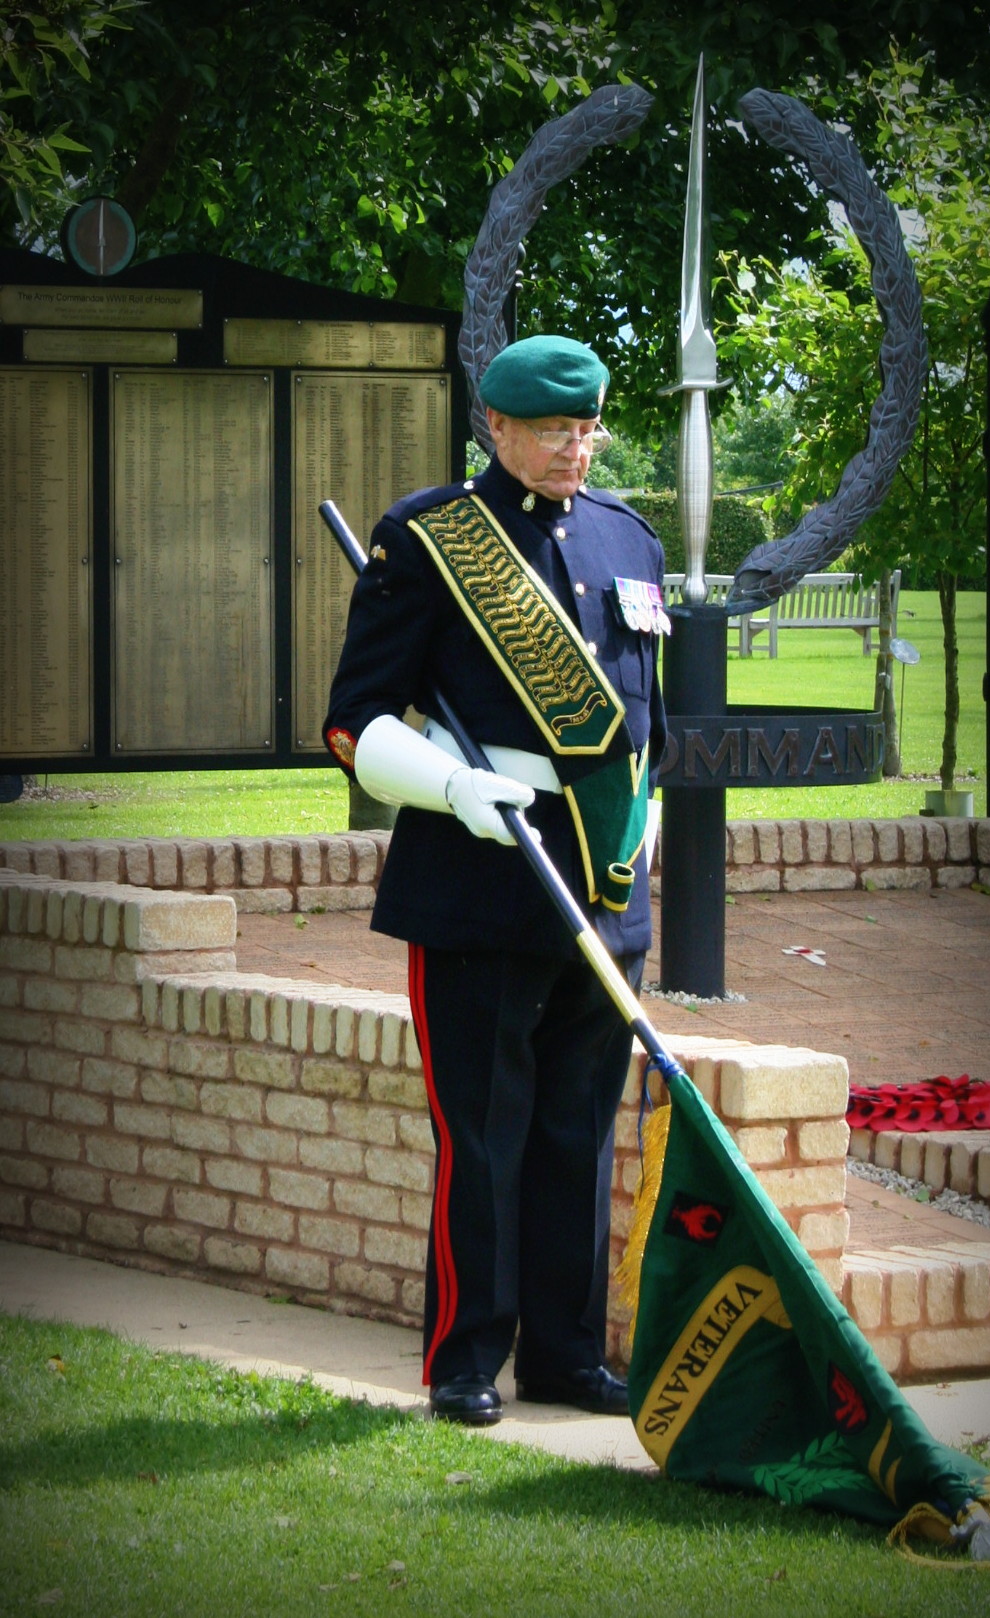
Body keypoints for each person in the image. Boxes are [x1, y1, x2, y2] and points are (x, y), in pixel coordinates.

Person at [323, 334, 669, 1426]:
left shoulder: (628, 537)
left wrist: (642, 827)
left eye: (588, 426)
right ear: (498, 428)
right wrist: (448, 787)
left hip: (604, 883)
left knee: (577, 1129)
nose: (577, 446)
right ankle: (466, 1358)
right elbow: (353, 719)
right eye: (555, 429)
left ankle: (567, 1355)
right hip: (480, 875)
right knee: (482, 1135)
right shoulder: (430, 540)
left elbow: (642, 721)